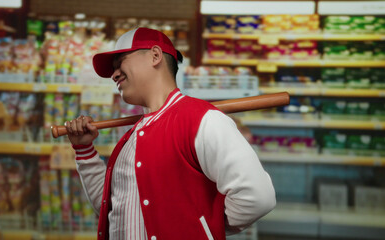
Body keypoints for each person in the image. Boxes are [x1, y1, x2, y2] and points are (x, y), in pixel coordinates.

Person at [65, 27, 276, 240]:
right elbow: (110, 205)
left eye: (120, 63)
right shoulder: (130, 139)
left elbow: (257, 196)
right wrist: (84, 151)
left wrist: (201, 225)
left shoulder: (201, 120)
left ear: (155, 55)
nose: (114, 74)